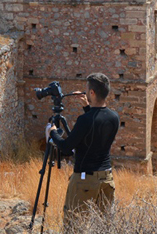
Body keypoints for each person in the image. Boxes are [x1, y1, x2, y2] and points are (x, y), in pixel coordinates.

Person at [46, 73, 119, 214]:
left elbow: (66, 147)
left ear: (91, 92)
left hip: (85, 180)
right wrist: (87, 106)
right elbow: (96, 125)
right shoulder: (114, 117)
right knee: (105, 228)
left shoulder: (84, 120)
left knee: (75, 224)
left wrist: (53, 132)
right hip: (106, 178)